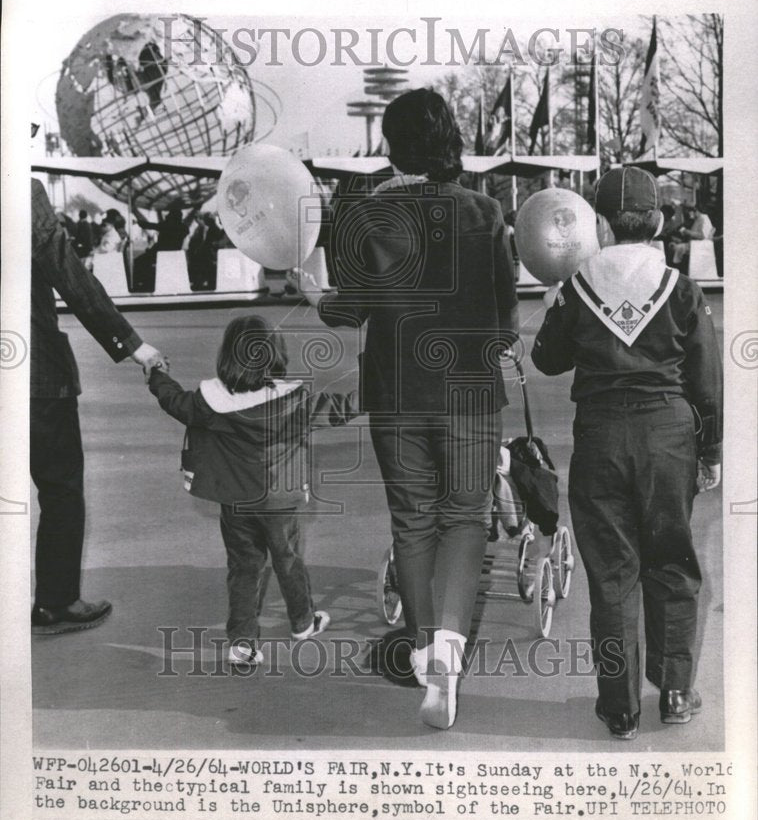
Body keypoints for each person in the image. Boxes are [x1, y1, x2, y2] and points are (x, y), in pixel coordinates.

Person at [317, 88, 519, 729]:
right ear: (449, 140)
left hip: (398, 394)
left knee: (413, 521)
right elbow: (508, 322)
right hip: (470, 393)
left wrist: (313, 292)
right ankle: (449, 657)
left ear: (391, 144)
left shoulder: (366, 215)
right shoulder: (485, 212)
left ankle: (426, 645)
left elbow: (350, 309)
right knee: (466, 519)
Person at [532, 166, 722, 740]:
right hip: (668, 439)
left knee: (612, 576)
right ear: (660, 221)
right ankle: (676, 691)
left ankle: (619, 708)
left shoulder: (576, 288)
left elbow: (546, 361)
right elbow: (706, 380)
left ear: (600, 226)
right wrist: (710, 449)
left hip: (600, 440)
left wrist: (554, 304)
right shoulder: (682, 289)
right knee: (672, 563)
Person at [146, 314, 361, 667]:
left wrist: (157, 374)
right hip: (280, 502)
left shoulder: (209, 402)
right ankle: (303, 623)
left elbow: (174, 401)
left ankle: (242, 643)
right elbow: (342, 409)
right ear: (274, 354)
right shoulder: (295, 401)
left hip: (235, 503)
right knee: (288, 560)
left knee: (244, 568)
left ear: (227, 356)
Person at [31, 176, 166, 634]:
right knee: (60, 487)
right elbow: (70, 276)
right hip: (34, 377)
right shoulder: (21, 191)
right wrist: (133, 345)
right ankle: (56, 601)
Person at [670, 203, 715, 270]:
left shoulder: (703, 219)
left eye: (693, 211)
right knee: (673, 245)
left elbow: (702, 236)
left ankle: (677, 267)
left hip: (699, 245)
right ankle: (677, 267)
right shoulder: (698, 219)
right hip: (695, 243)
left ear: (697, 211)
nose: (691, 214)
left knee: (678, 248)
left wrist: (686, 232)